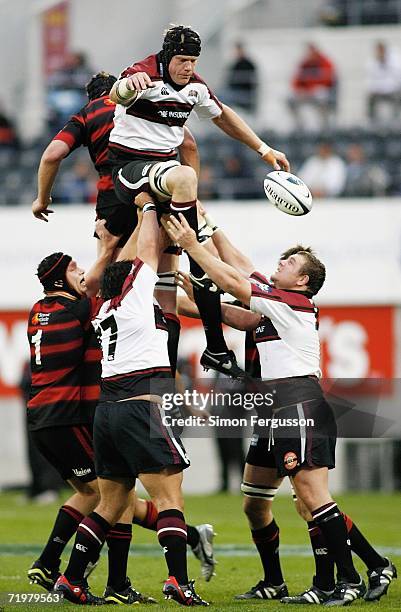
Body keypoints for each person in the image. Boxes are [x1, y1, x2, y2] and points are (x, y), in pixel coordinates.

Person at [165, 214, 381, 606]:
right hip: (273, 406)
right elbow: (237, 285)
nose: (280, 263)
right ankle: (284, 581)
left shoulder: (292, 303)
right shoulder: (274, 304)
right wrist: (208, 229)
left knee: (310, 498)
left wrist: (193, 247)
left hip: (296, 402)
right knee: (256, 501)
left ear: (303, 281)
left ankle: (349, 577)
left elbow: (234, 281)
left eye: (290, 263)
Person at [107, 24, 289, 378]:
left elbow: (223, 116)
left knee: (200, 247)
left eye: (193, 60)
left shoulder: (194, 87)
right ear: (166, 56)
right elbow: (117, 94)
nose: (188, 67)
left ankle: (215, 346)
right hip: (130, 169)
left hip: (164, 177)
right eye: (182, 60)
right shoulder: (142, 72)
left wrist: (264, 150)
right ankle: (212, 342)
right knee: (186, 182)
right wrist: (128, 86)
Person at [55, 199, 209, 606]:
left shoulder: (101, 308)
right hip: (141, 408)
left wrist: (109, 243)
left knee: (110, 503)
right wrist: (147, 208)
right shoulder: (139, 292)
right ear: (134, 278)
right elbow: (144, 253)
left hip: (107, 413)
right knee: (169, 499)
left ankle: (71, 578)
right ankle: (178, 580)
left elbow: (124, 266)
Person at [32, 71, 200, 257]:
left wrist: (42, 199)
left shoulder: (88, 113)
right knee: (164, 269)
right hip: (156, 187)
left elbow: (52, 155)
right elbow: (189, 144)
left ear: (90, 97)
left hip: (114, 195)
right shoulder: (144, 103)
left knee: (113, 274)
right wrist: (189, 193)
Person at [288, 43, 337, 130]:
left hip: (319, 91)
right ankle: (300, 125)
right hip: (306, 92)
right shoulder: (304, 63)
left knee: (321, 94)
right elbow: (295, 81)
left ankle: (325, 125)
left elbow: (328, 79)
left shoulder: (324, 61)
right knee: (290, 98)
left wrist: (313, 88)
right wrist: (300, 90)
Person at [366, 41, 401, 125]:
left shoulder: (395, 61)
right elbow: (371, 81)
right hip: (379, 91)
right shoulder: (372, 63)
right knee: (370, 98)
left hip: (393, 90)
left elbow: (397, 79)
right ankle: (372, 122)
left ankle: (395, 122)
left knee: (397, 97)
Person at [222, 42, 258, 113]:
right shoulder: (236, 64)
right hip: (234, 90)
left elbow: (249, 80)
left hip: (242, 92)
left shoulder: (248, 64)